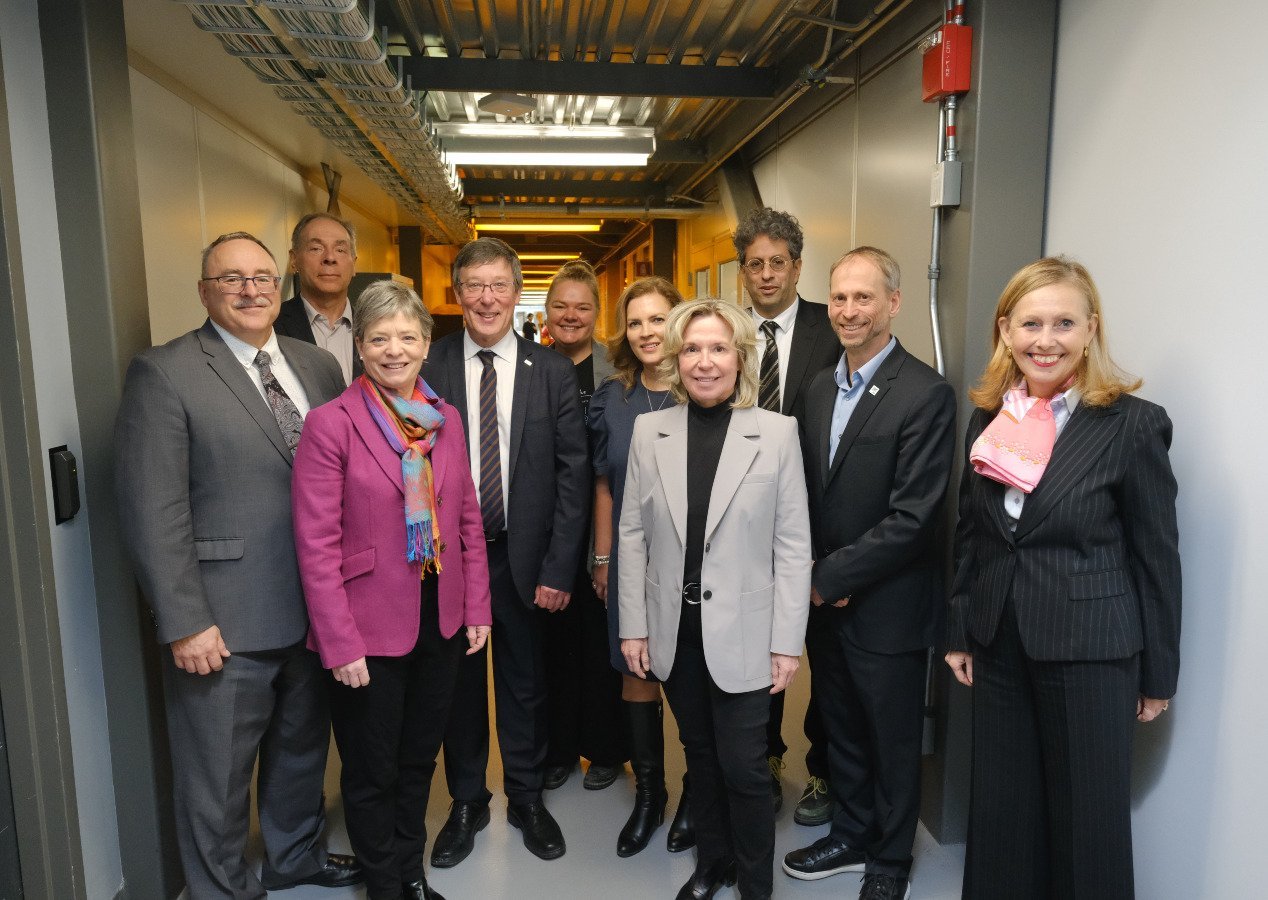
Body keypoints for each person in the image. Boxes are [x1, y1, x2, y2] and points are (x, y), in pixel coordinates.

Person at [114, 232, 359, 898]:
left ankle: (295, 857)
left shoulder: (318, 367)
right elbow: (152, 508)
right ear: (205, 292)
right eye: (231, 279)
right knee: (216, 776)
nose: (250, 290)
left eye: (261, 277)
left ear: (280, 286)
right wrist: (185, 621)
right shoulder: (165, 372)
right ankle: (220, 888)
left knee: (302, 752)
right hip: (225, 619)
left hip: (315, 609)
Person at [944, 256, 1181, 899]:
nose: (1045, 340)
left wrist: (1158, 673)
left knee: (1087, 825)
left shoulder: (1133, 424)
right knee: (1002, 816)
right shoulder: (989, 419)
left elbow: (1157, 557)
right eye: (1030, 324)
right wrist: (961, 627)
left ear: (1091, 329)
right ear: (1005, 329)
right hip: (999, 642)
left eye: (1064, 323)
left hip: (1091, 651)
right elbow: (972, 532)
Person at [292, 281, 493, 900]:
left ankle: (410, 874)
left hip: (441, 620)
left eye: (407, 337)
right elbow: (316, 545)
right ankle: (384, 886)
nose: (394, 350)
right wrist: (339, 642)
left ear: (427, 344)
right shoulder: (331, 424)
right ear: (359, 347)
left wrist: (477, 607)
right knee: (371, 770)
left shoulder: (444, 420)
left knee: (417, 761)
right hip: (366, 629)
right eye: (379, 338)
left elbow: (466, 520)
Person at [619, 298, 812, 900]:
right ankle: (712, 863)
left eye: (719, 348)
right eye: (693, 349)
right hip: (674, 629)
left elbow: (793, 545)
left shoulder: (776, 433)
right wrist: (633, 627)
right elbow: (631, 534)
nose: (705, 362)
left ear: (740, 358)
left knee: (745, 767)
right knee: (698, 756)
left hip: (747, 632)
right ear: (677, 359)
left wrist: (787, 643)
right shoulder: (650, 431)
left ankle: (755, 882)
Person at [784, 246, 955, 900]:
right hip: (823, 605)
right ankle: (853, 834)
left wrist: (827, 577)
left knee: (890, 739)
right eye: (840, 297)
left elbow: (915, 517)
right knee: (842, 729)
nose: (849, 310)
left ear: (894, 303)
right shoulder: (819, 388)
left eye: (864, 297)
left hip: (886, 608)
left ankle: (890, 858)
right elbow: (805, 491)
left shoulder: (925, 393)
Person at [427, 237, 590, 867]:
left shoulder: (550, 370)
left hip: (523, 558)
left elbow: (573, 474)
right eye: (475, 286)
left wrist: (559, 567)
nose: (487, 298)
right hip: (449, 559)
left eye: (499, 285)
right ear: (458, 294)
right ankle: (467, 801)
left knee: (525, 684)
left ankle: (526, 797)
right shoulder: (430, 363)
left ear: (518, 293)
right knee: (458, 687)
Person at [733, 207, 841, 823]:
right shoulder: (726, 332)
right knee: (755, 649)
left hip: (818, 517)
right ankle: (765, 760)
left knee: (824, 653)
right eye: (756, 264)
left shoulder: (835, 329)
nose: (768, 274)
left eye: (779, 262)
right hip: (745, 520)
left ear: (798, 267)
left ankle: (823, 767)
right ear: (742, 271)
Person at [589, 277, 695, 857]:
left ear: (679, 322)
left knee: (695, 674)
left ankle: (697, 793)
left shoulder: (702, 384)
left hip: (693, 561)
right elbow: (605, 484)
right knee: (637, 669)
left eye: (658, 319)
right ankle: (650, 795)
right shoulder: (614, 396)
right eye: (636, 322)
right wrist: (604, 559)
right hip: (631, 558)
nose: (647, 332)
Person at [540, 259, 629, 792]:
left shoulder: (616, 369)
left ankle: (606, 749)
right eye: (560, 306)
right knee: (553, 643)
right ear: (546, 313)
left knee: (601, 642)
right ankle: (557, 749)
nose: (570, 315)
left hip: (603, 523)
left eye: (582, 307)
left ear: (597, 313)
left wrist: (605, 550)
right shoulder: (532, 366)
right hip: (547, 530)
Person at [274, 212, 363, 384]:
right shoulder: (270, 327)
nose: (330, 258)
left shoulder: (374, 327)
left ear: (354, 264)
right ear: (294, 259)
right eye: (316, 248)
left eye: (340, 250)